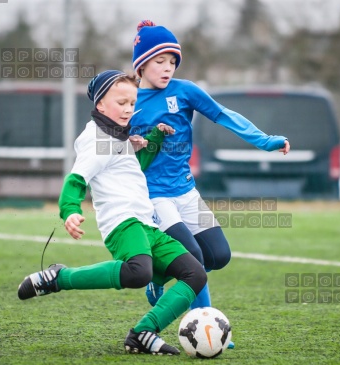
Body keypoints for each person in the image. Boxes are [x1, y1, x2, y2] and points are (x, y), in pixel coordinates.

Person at [17, 70, 207, 356]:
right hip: (123, 223)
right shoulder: (96, 140)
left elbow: (131, 168)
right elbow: (76, 180)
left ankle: (144, 333)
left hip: (147, 224)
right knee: (138, 273)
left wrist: (153, 138)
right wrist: (70, 210)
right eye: (121, 102)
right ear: (100, 104)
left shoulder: (118, 136)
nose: (129, 109)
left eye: (132, 103)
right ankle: (59, 278)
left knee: (195, 273)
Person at [129, 20, 291, 349]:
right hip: (154, 198)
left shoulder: (185, 91)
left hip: (186, 192)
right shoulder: (129, 101)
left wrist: (265, 141)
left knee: (219, 255)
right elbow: (112, 147)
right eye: (160, 61)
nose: (168, 68)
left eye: (173, 61)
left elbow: (224, 114)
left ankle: (158, 276)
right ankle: (207, 329)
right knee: (194, 258)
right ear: (141, 64)